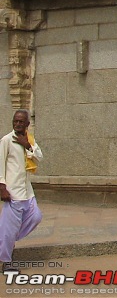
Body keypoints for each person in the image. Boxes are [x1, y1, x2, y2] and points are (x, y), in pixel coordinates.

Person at [0, 110, 43, 273]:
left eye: (21, 122)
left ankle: (5, 239)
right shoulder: (6, 140)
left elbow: (39, 156)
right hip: (12, 192)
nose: (17, 124)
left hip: (27, 191)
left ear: (27, 124)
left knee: (36, 216)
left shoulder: (29, 139)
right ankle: (6, 262)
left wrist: (27, 145)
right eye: (15, 121)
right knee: (8, 229)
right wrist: (2, 187)